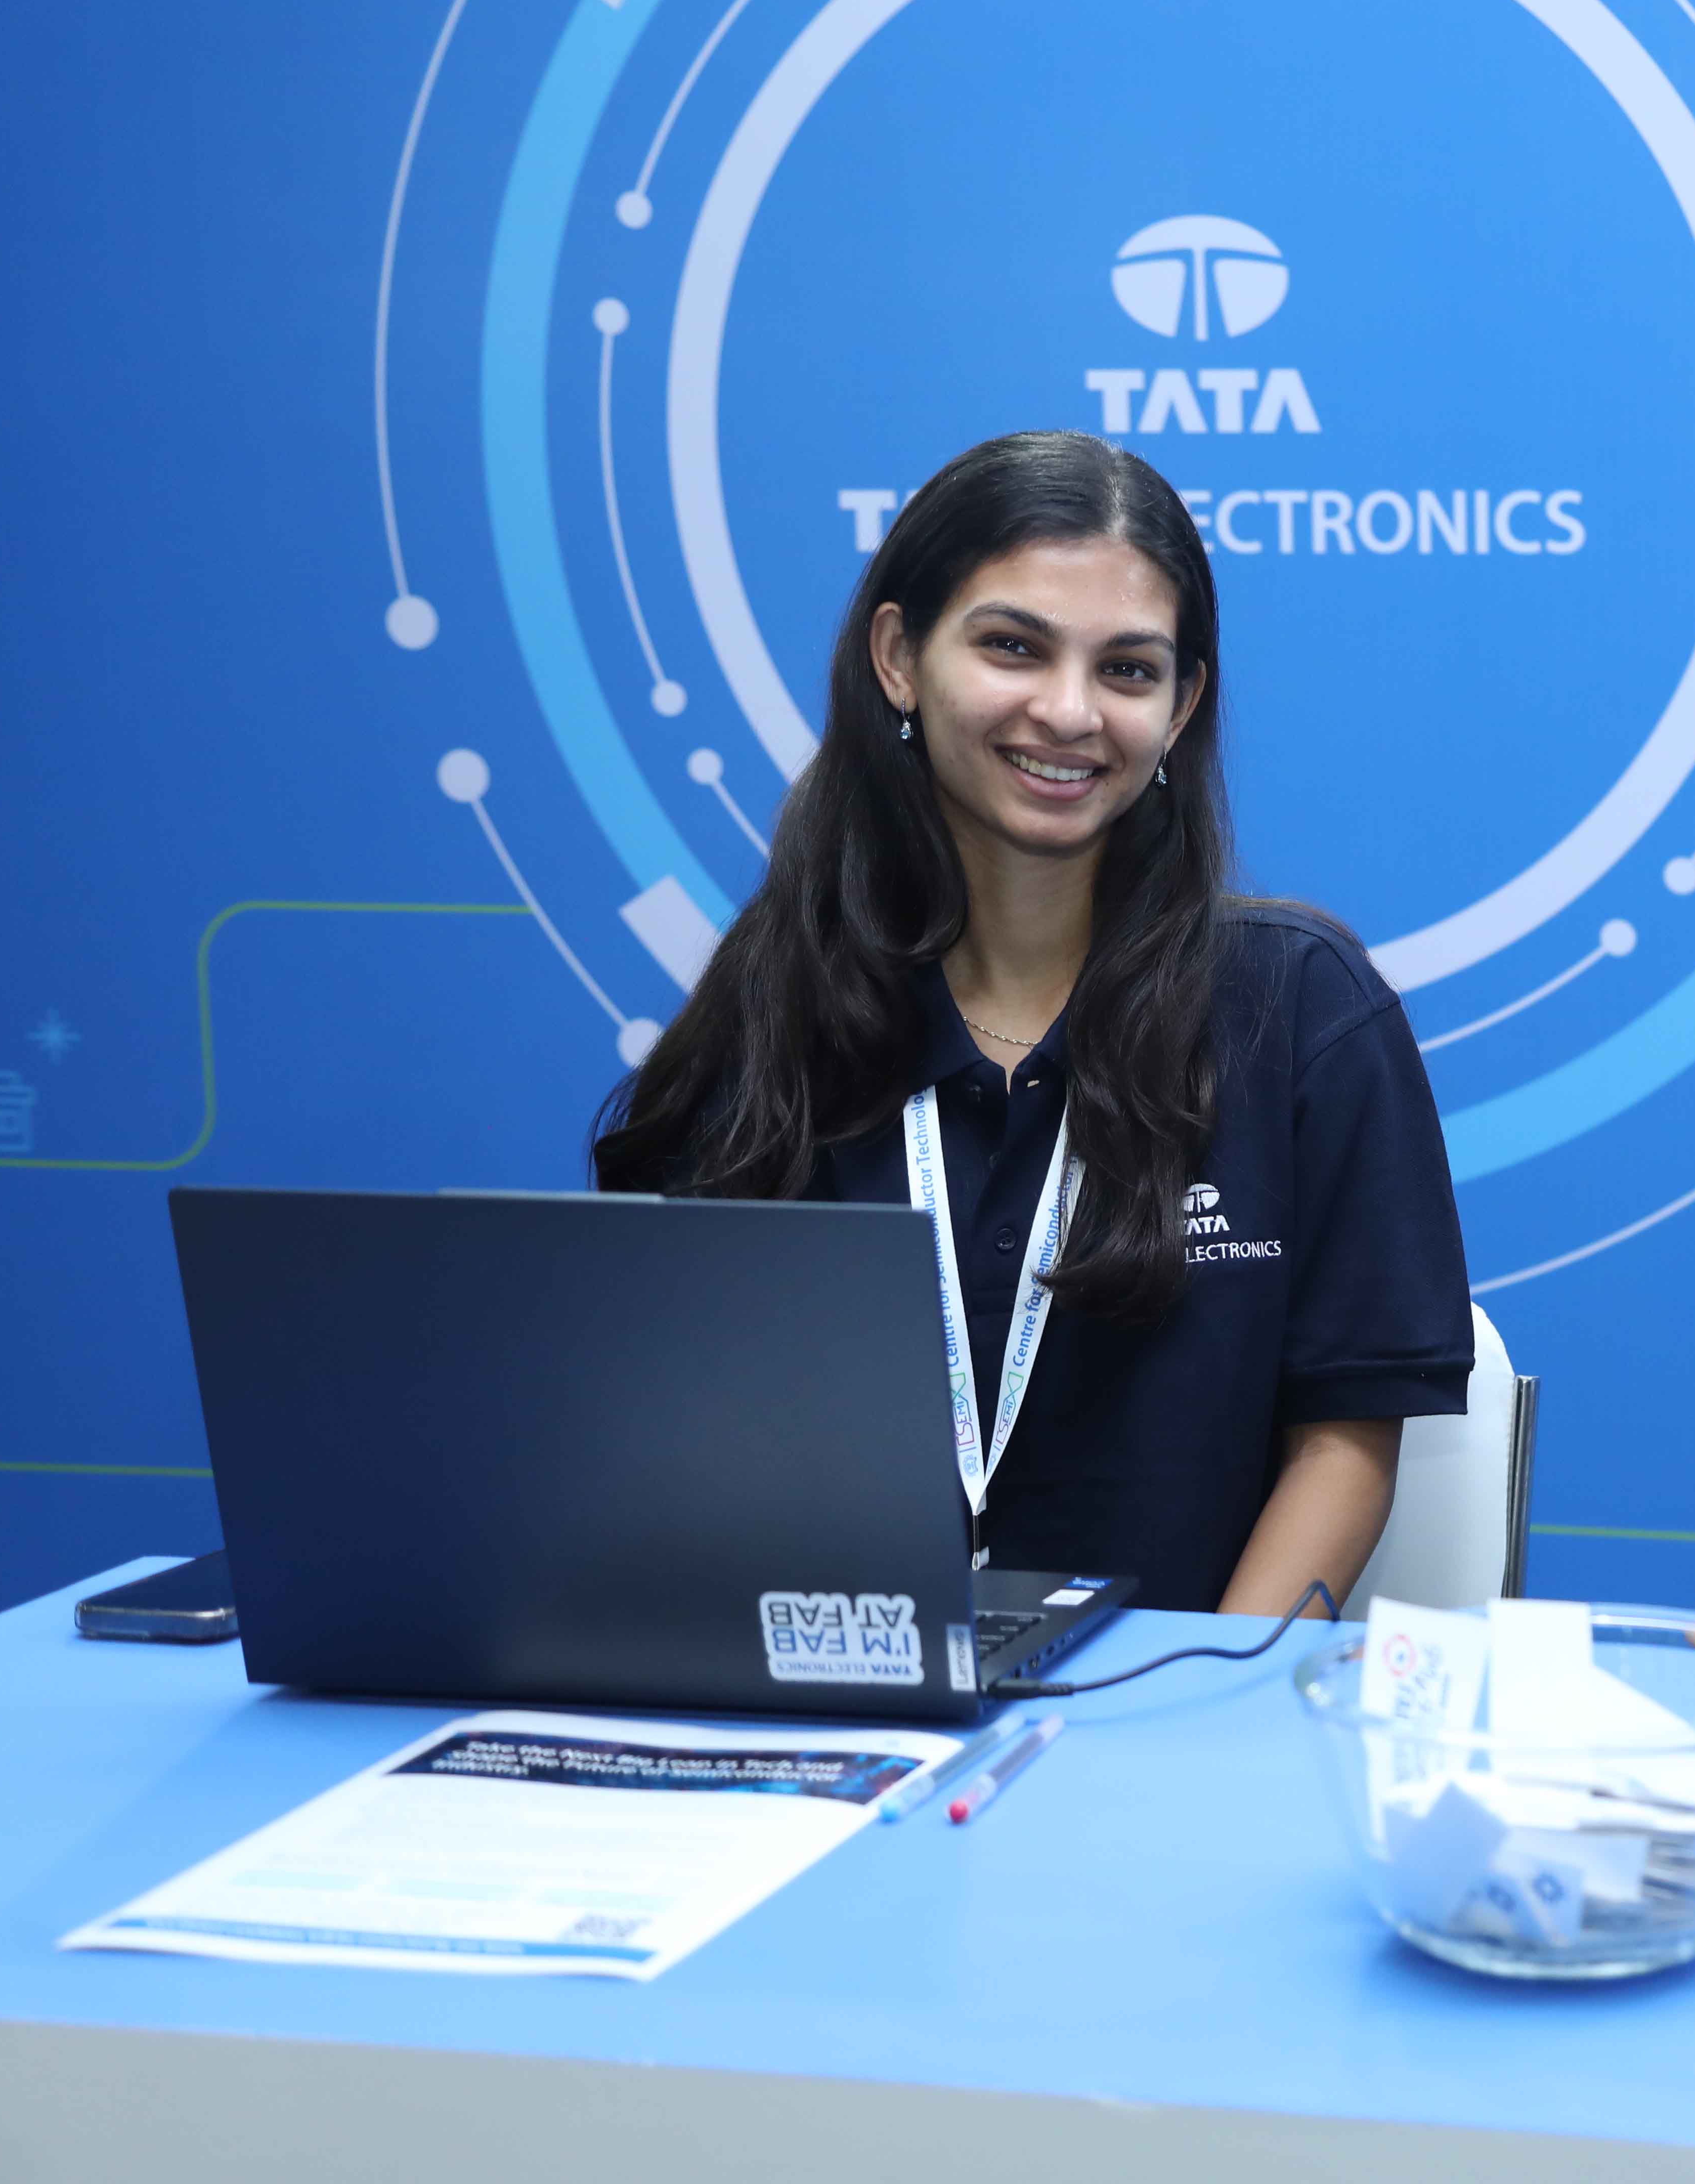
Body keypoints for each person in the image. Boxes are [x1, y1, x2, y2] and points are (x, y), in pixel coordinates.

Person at [597, 431, 1471, 1615]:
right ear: (900, 658)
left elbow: (1347, 1442)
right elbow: (671, 1424)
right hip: (829, 1695)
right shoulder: (770, 1009)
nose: (1068, 711)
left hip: (1180, 1702)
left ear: (1181, 705)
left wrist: (1208, 1690)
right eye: (1013, 646)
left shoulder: (1302, 1007)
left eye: (1128, 669)